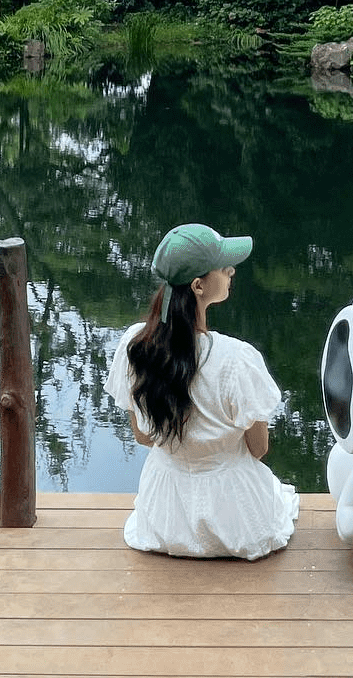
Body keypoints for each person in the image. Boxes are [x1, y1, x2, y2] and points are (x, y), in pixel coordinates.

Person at [104, 223, 298, 560]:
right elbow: (258, 448)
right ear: (198, 285)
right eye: (224, 267)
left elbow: (144, 437)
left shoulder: (137, 347)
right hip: (236, 519)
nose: (231, 271)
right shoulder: (236, 359)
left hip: (164, 515)